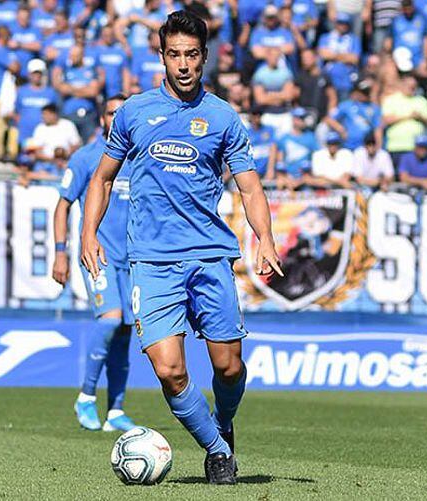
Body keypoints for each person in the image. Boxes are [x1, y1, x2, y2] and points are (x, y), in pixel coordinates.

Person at [79, 11, 282, 485]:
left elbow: (250, 189)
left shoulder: (221, 117)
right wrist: (88, 233)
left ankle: (225, 420)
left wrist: (265, 237)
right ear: (162, 57)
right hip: (150, 262)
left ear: (205, 57)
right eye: (175, 55)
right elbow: (103, 178)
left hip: (210, 256)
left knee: (228, 367)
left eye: (192, 55)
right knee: (169, 370)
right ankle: (217, 449)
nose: (184, 64)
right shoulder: (133, 111)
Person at [52, 95, 138, 433]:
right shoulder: (87, 157)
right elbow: (63, 205)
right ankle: (86, 396)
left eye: (122, 114)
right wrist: (61, 251)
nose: (117, 119)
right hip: (98, 255)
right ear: (102, 118)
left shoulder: (140, 159)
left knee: (124, 332)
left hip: (134, 261)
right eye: (111, 113)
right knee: (110, 320)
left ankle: (115, 410)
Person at [23, 104, 82, 181]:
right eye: (43, 114)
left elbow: (76, 145)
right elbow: (37, 151)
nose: (43, 117)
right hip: (45, 164)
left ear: (54, 114)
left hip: (65, 162)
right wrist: (53, 160)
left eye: (46, 114)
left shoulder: (68, 125)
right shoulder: (40, 128)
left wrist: (65, 156)